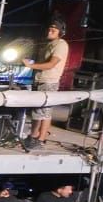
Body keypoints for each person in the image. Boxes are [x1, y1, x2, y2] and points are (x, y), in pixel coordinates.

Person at [22, 19, 70, 150]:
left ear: (60, 32)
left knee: (44, 112)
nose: (49, 31)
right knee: (38, 111)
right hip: (39, 80)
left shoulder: (61, 44)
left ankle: (41, 139)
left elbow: (51, 64)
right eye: (49, 29)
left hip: (49, 81)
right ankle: (33, 136)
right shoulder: (48, 44)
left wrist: (31, 65)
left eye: (53, 30)